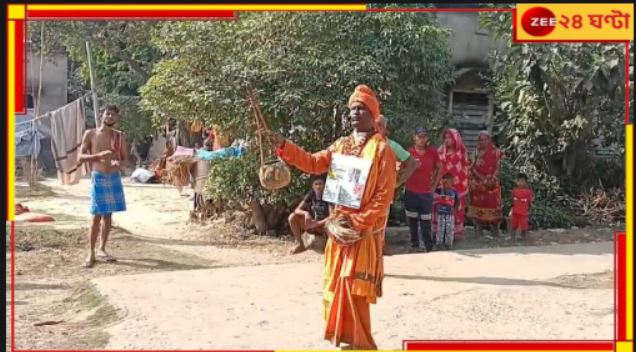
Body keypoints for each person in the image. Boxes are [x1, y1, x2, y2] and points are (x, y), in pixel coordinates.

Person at [264, 84, 397, 350]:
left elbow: (383, 198)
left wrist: (356, 224)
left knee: (353, 284)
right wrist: (283, 146)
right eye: (351, 109)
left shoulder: (382, 150)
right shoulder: (342, 145)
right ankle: (346, 339)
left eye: (361, 109)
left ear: (373, 114)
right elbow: (313, 163)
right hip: (338, 230)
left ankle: (363, 343)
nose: (354, 114)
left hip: (361, 232)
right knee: (336, 284)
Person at [78, 105, 128, 268]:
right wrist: (98, 156)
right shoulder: (91, 134)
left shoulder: (119, 137)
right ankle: (90, 252)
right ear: (102, 115)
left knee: (108, 216)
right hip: (98, 177)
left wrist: (118, 163)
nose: (110, 117)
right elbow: (80, 157)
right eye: (107, 114)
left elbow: (126, 159)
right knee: (96, 216)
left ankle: (102, 249)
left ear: (116, 118)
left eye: (113, 115)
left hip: (113, 177)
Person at [376, 115, 419, 256]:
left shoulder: (391, 145)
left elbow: (412, 162)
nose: (376, 128)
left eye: (379, 125)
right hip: (362, 195)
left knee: (379, 227)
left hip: (383, 194)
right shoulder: (363, 144)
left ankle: (377, 258)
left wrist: (397, 182)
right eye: (374, 125)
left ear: (385, 129)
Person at [404, 127, 441, 252]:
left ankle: (428, 246)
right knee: (412, 220)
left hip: (426, 193)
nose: (422, 139)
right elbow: (401, 169)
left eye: (424, 136)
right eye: (419, 136)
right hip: (411, 191)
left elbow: (439, 168)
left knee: (426, 221)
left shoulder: (432, 152)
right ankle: (414, 245)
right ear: (414, 137)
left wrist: (434, 185)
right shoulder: (408, 152)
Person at [434, 128, 469, 241]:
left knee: (456, 209)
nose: (447, 140)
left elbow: (465, 169)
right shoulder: (440, 151)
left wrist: (463, 185)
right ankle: (439, 233)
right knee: (440, 208)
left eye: (450, 137)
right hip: (442, 185)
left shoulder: (462, 152)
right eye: (445, 138)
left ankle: (455, 234)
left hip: (458, 185)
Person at [468, 131, 504, 236]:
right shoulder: (474, 153)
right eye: (481, 140)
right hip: (478, 184)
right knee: (478, 206)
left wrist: (492, 178)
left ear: (489, 140)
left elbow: (498, 167)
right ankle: (478, 230)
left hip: (492, 183)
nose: (483, 142)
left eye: (485, 139)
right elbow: (471, 168)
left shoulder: (495, 152)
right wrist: (482, 179)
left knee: (494, 205)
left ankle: (496, 229)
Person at [288, 174, 331, 254]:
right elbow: (297, 209)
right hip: (312, 224)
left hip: (324, 224)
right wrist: (306, 213)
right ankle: (300, 244)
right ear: (313, 186)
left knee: (332, 224)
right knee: (292, 217)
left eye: (320, 184)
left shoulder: (329, 196)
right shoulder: (311, 194)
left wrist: (317, 224)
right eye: (316, 184)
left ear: (325, 186)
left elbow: (333, 216)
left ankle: (330, 248)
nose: (318, 187)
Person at [434, 173, 460, 250]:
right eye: (446, 182)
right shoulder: (440, 190)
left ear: (452, 182)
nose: (447, 184)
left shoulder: (454, 191)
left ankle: (448, 244)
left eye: (449, 182)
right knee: (440, 229)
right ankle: (439, 244)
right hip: (441, 213)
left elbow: (457, 201)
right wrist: (440, 181)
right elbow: (434, 187)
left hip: (450, 214)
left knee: (450, 229)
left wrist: (455, 210)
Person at [509, 174, 534, 240]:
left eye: (522, 181)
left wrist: (530, 209)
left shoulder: (528, 192)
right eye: (518, 181)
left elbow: (530, 202)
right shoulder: (514, 191)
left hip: (523, 213)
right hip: (515, 212)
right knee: (513, 226)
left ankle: (523, 238)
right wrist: (511, 210)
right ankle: (512, 237)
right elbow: (512, 201)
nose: (520, 183)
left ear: (526, 182)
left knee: (524, 227)